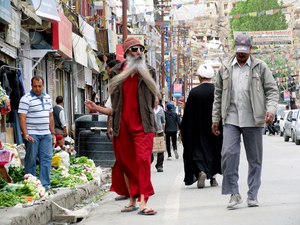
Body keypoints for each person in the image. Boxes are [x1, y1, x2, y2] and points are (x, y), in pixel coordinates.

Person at [85, 37, 158, 215]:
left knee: (143, 160)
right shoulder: (115, 72)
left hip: (143, 125)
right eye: (134, 49)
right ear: (126, 53)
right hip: (122, 125)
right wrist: (97, 108)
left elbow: (153, 101)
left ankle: (143, 201)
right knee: (126, 162)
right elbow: (113, 107)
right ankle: (132, 199)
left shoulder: (149, 71)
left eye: (141, 49)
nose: (139, 53)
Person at [212, 34, 279, 209]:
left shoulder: (260, 67)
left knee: (255, 159)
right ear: (234, 49)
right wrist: (215, 119)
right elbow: (218, 95)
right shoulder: (225, 67)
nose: (241, 54)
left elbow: (272, 91)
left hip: (254, 118)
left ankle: (253, 195)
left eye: (245, 51)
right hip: (231, 118)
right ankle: (234, 193)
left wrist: (271, 110)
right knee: (228, 154)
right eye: (239, 51)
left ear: (250, 49)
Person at [182, 64, 222, 189]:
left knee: (199, 151)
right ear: (212, 77)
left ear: (199, 77)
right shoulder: (216, 91)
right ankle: (214, 178)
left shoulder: (194, 92)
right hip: (215, 128)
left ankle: (201, 172)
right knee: (215, 151)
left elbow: (188, 115)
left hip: (198, 130)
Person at [18, 76, 56, 191]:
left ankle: (44, 185)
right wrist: (26, 135)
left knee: (47, 159)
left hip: (46, 134)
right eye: (35, 86)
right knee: (31, 159)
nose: (37, 88)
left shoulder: (48, 98)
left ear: (43, 86)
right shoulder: (26, 99)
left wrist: (53, 133)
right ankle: (31, 184)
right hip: (32, 134)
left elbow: (50, 117)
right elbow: (22, 118)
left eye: (39, 86)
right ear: (31, 86)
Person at [151, 96, 165, 172]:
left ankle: (159, 165)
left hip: (159, 131)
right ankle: (150, 161)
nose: (155, 100)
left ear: (158, 100)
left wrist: (163, 132)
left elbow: (163, 121)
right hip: (150, 132)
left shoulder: (161, 109)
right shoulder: (149, 109)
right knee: (150, 149)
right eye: (154, 99)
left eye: (156, 99)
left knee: (160, 149)